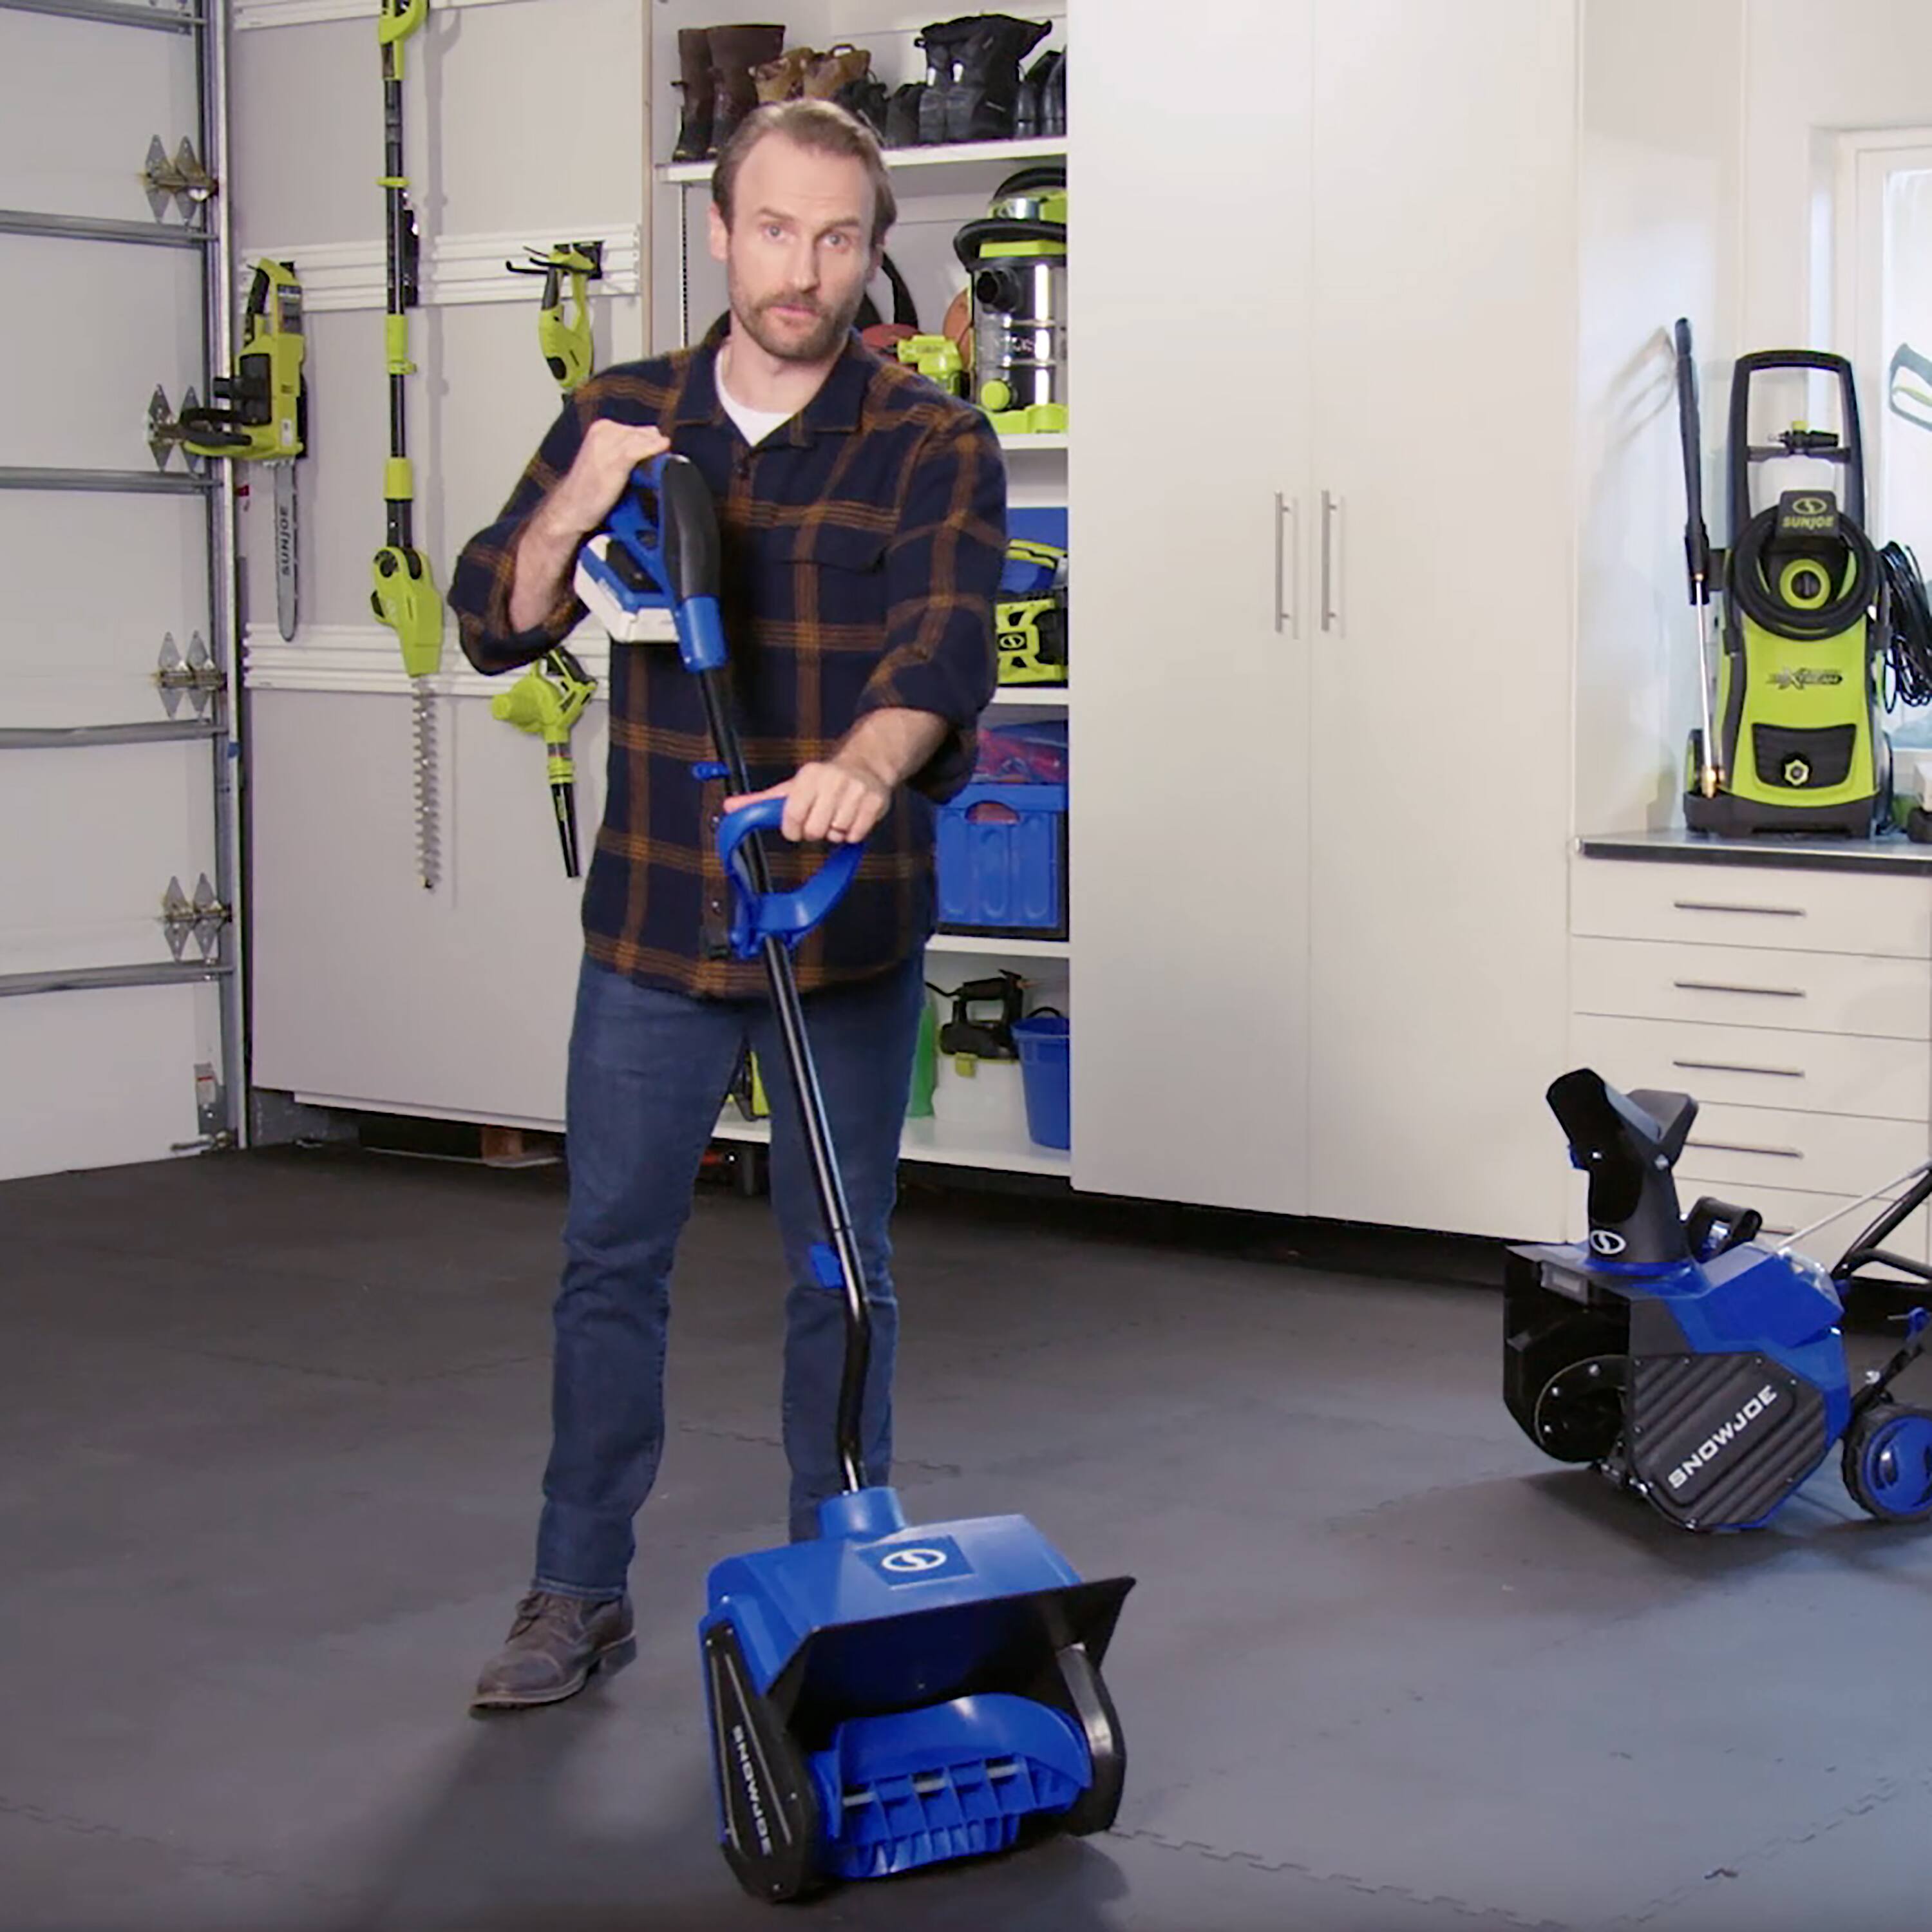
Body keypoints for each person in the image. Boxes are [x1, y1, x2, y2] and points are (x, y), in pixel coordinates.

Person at [449, 99, 1005, 1710]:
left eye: (840, 238)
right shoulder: (620, 408)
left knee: (844, 1264)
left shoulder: (928, 438)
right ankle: (576, 1591)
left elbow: (942, 650)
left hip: (842, 914)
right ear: (720, 229)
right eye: (776, 231)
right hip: (654, 920)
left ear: (870, 244)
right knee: (610, 1259)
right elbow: (494, 615)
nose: (805, 270)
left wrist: (866, 763)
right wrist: (575, 499)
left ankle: (839, 1578)